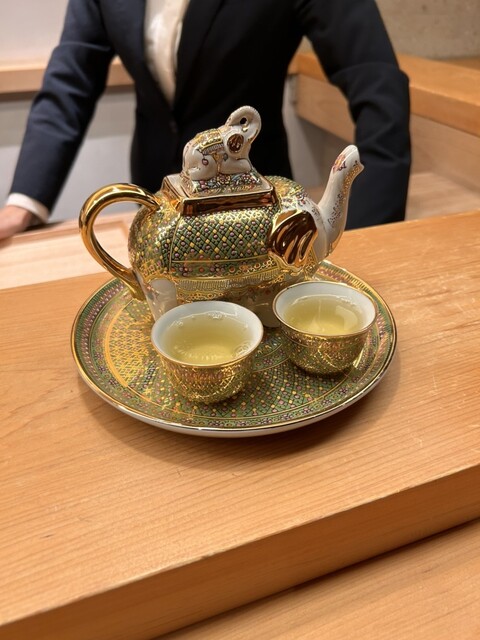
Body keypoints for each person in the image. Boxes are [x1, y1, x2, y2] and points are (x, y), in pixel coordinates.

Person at [0, 0, 411, 240]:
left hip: (257, 209)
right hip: (158, 196)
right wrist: (23, 202)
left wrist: (368, 233)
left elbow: (376, 80)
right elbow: (71, 80)